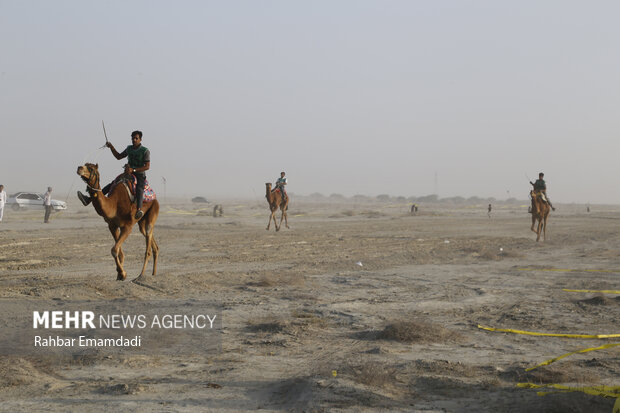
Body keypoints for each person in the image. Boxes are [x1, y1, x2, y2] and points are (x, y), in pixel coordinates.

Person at [78, 130, 150, 220]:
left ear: (140, 139)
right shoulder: (129, 148)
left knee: (139, 188)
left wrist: (134, 169)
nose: (134, 140)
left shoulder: (145, 151)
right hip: (127, 173)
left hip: (139, 174)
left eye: (136, 138)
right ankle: (88, 199)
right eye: (133, 138)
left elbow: (147, 166)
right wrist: (111, 147)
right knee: (113, 184)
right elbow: (118, 156)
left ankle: (139, 210)